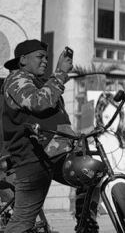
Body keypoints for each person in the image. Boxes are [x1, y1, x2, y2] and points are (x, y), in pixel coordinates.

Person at [1, 40, 99, 233]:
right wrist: (60, 73)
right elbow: (39, 102)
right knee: (23, 221)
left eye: (47, 57)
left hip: (55, 154)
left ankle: (86, 226)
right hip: (32, 158)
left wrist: (75, 140)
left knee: (91, 176)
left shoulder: (44, 83)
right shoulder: (16, 79)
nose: (45, 61)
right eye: (40, 57)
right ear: (23, 60)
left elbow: (55, 121)